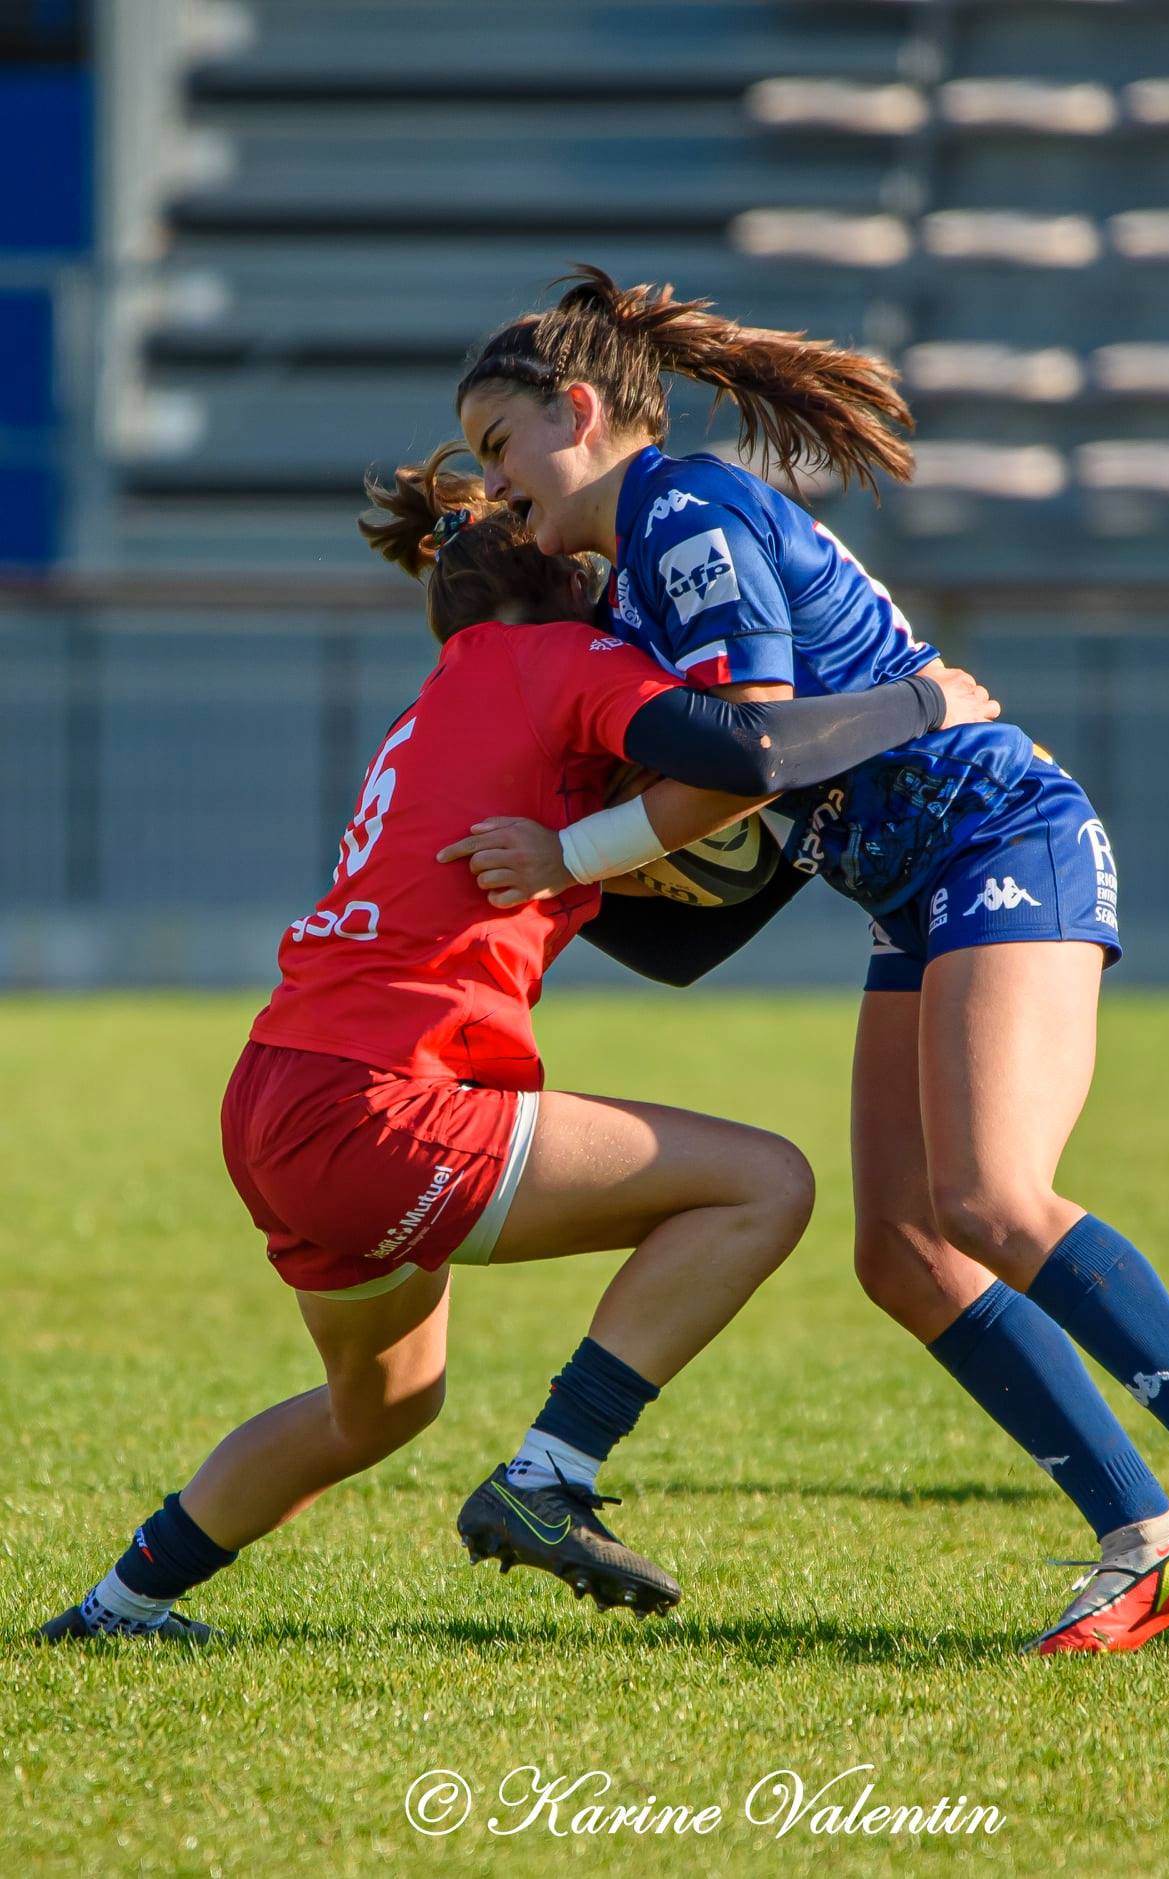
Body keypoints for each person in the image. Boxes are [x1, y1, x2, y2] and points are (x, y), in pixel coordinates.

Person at [435, 267, 1169, 1654]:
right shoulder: (642, 569)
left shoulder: (682, 517)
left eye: (502, 450)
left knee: (987, 1195)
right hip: (915, 887)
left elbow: (751, 749)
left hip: (996, 838)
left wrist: (570, 856)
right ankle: (1138, 1531)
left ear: (577, 409)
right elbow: (725, 860)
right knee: (905, 1249)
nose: (499, 487)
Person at [36, 466, 993, 1645]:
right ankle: (549, 1475)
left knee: (381, 1404)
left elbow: (667, 940)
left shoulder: (441, 697)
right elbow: (742, 747)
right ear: (571, 587)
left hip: (279, 1086)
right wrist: (921, 703)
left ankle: (118, 1606)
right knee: (764, 1183)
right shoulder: (556, 661)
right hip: (384, 1104)